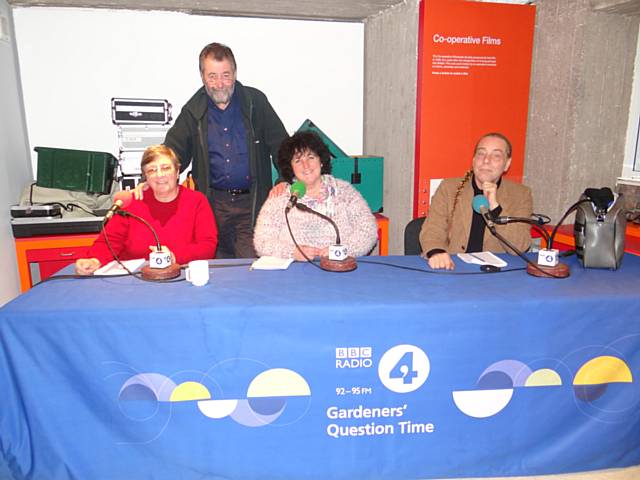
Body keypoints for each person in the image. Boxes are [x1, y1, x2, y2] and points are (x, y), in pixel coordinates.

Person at [160, 42, 287, 259]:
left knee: (249, 268)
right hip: (212, 207)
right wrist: (155, 179)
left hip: (252, 205)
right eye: (212, 76)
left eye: (226, 75)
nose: (220, 84)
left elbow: (282, 146)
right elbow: (172, 153)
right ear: (202, 76)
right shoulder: (193, 111)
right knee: (215, 270)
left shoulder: (256, 103)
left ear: (235, 73)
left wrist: (285, 179)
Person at [75, 145, 217, 275]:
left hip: (181, 275)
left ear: (178, 171)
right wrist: (94, 260)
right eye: (152, 170)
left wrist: (174, 256)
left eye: (166, 168)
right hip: (134, 279)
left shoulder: (196, 201)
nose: (160, 175)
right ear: (146, 176)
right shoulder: (132, 202)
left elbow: (207, 246)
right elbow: (109, 241)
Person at [254, 131, 377, 260]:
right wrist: (292, 253)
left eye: (311, 157)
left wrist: (341, 251)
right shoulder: (280, 197)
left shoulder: (345, 192)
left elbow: (368, 231)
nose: (306, 165)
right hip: (294, 272)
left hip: (339, 269)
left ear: (321, 161)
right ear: (291, 168)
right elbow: (261, 242)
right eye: (298, 160)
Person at [419, 132, 532, 270]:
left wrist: (495, 208)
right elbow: (432, 229)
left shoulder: (520, 194)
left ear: (507, 164)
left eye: (496, 155)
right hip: (453, 267)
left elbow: (519, 247)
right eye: (481, 153)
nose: (486, 160)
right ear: (473, 160)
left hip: (495, 275)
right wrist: (436, 252)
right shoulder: (449, 188)